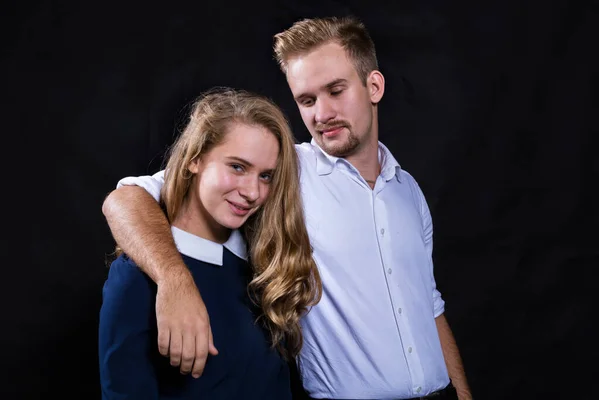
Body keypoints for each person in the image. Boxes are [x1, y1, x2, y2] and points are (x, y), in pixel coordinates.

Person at [102, 16, 473, 400]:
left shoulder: (408, 190)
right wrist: (175, 282)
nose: (321, 113)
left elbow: (429, 306)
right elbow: (124, 199)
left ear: (373, 86)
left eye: (335, 91)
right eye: (307, 100)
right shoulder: (280, 170)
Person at [98, 88, 322, 399]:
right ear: (195, 160)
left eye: (266, 176)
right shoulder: (137, 277)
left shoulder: (264, 269)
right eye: (238, 167)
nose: (253, 192)